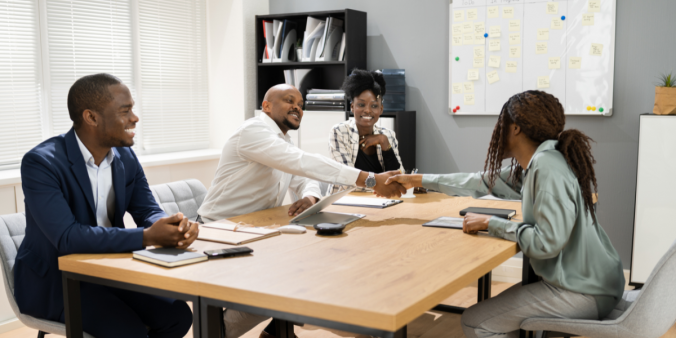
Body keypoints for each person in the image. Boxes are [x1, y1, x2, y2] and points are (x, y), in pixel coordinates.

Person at [386, 91, 625, 338]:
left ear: (516, 128)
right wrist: (417, 179)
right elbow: (478, 182)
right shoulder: (543, 161)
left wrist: (493, 224)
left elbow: (546, 244)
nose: (497, 131)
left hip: (583, 292)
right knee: (496, 319)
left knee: (475, 322)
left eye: (501, 124)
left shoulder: (546, 167)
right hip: (594, 283)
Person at [196, 83, 405, 338]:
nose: (297, 107)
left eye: (301, 104)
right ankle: (215, 333)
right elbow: (304, 162)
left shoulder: (281, 140)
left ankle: (280, 330)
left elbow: (305, 175)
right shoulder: (254, 132)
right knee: (283, 281)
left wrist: (310, 196)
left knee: (308, 265)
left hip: (254, 229)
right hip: (217, 230)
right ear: (266, 106)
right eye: (288, 100)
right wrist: (370, 179)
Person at [15, 73, 198, 338]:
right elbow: (67, 237)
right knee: (128, 332)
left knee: (177, 316)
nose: (134, 118)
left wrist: (173, 226)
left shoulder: (125, 154)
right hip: (57, 281)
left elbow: (147, 209)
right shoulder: (41, 163)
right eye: (125, 111)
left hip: (109, 270)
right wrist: (147, 237)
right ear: (91, 117)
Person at [328, 69, 404, 194]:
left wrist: (384, 143)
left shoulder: (388, 135)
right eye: (361, 105)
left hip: (383, 202)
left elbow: (399, 179)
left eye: (374, 106)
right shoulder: (339, 132)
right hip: (346, 203)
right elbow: (347, 180)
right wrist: (380, 185)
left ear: (381, 109)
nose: (368, 110)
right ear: (352, 107)